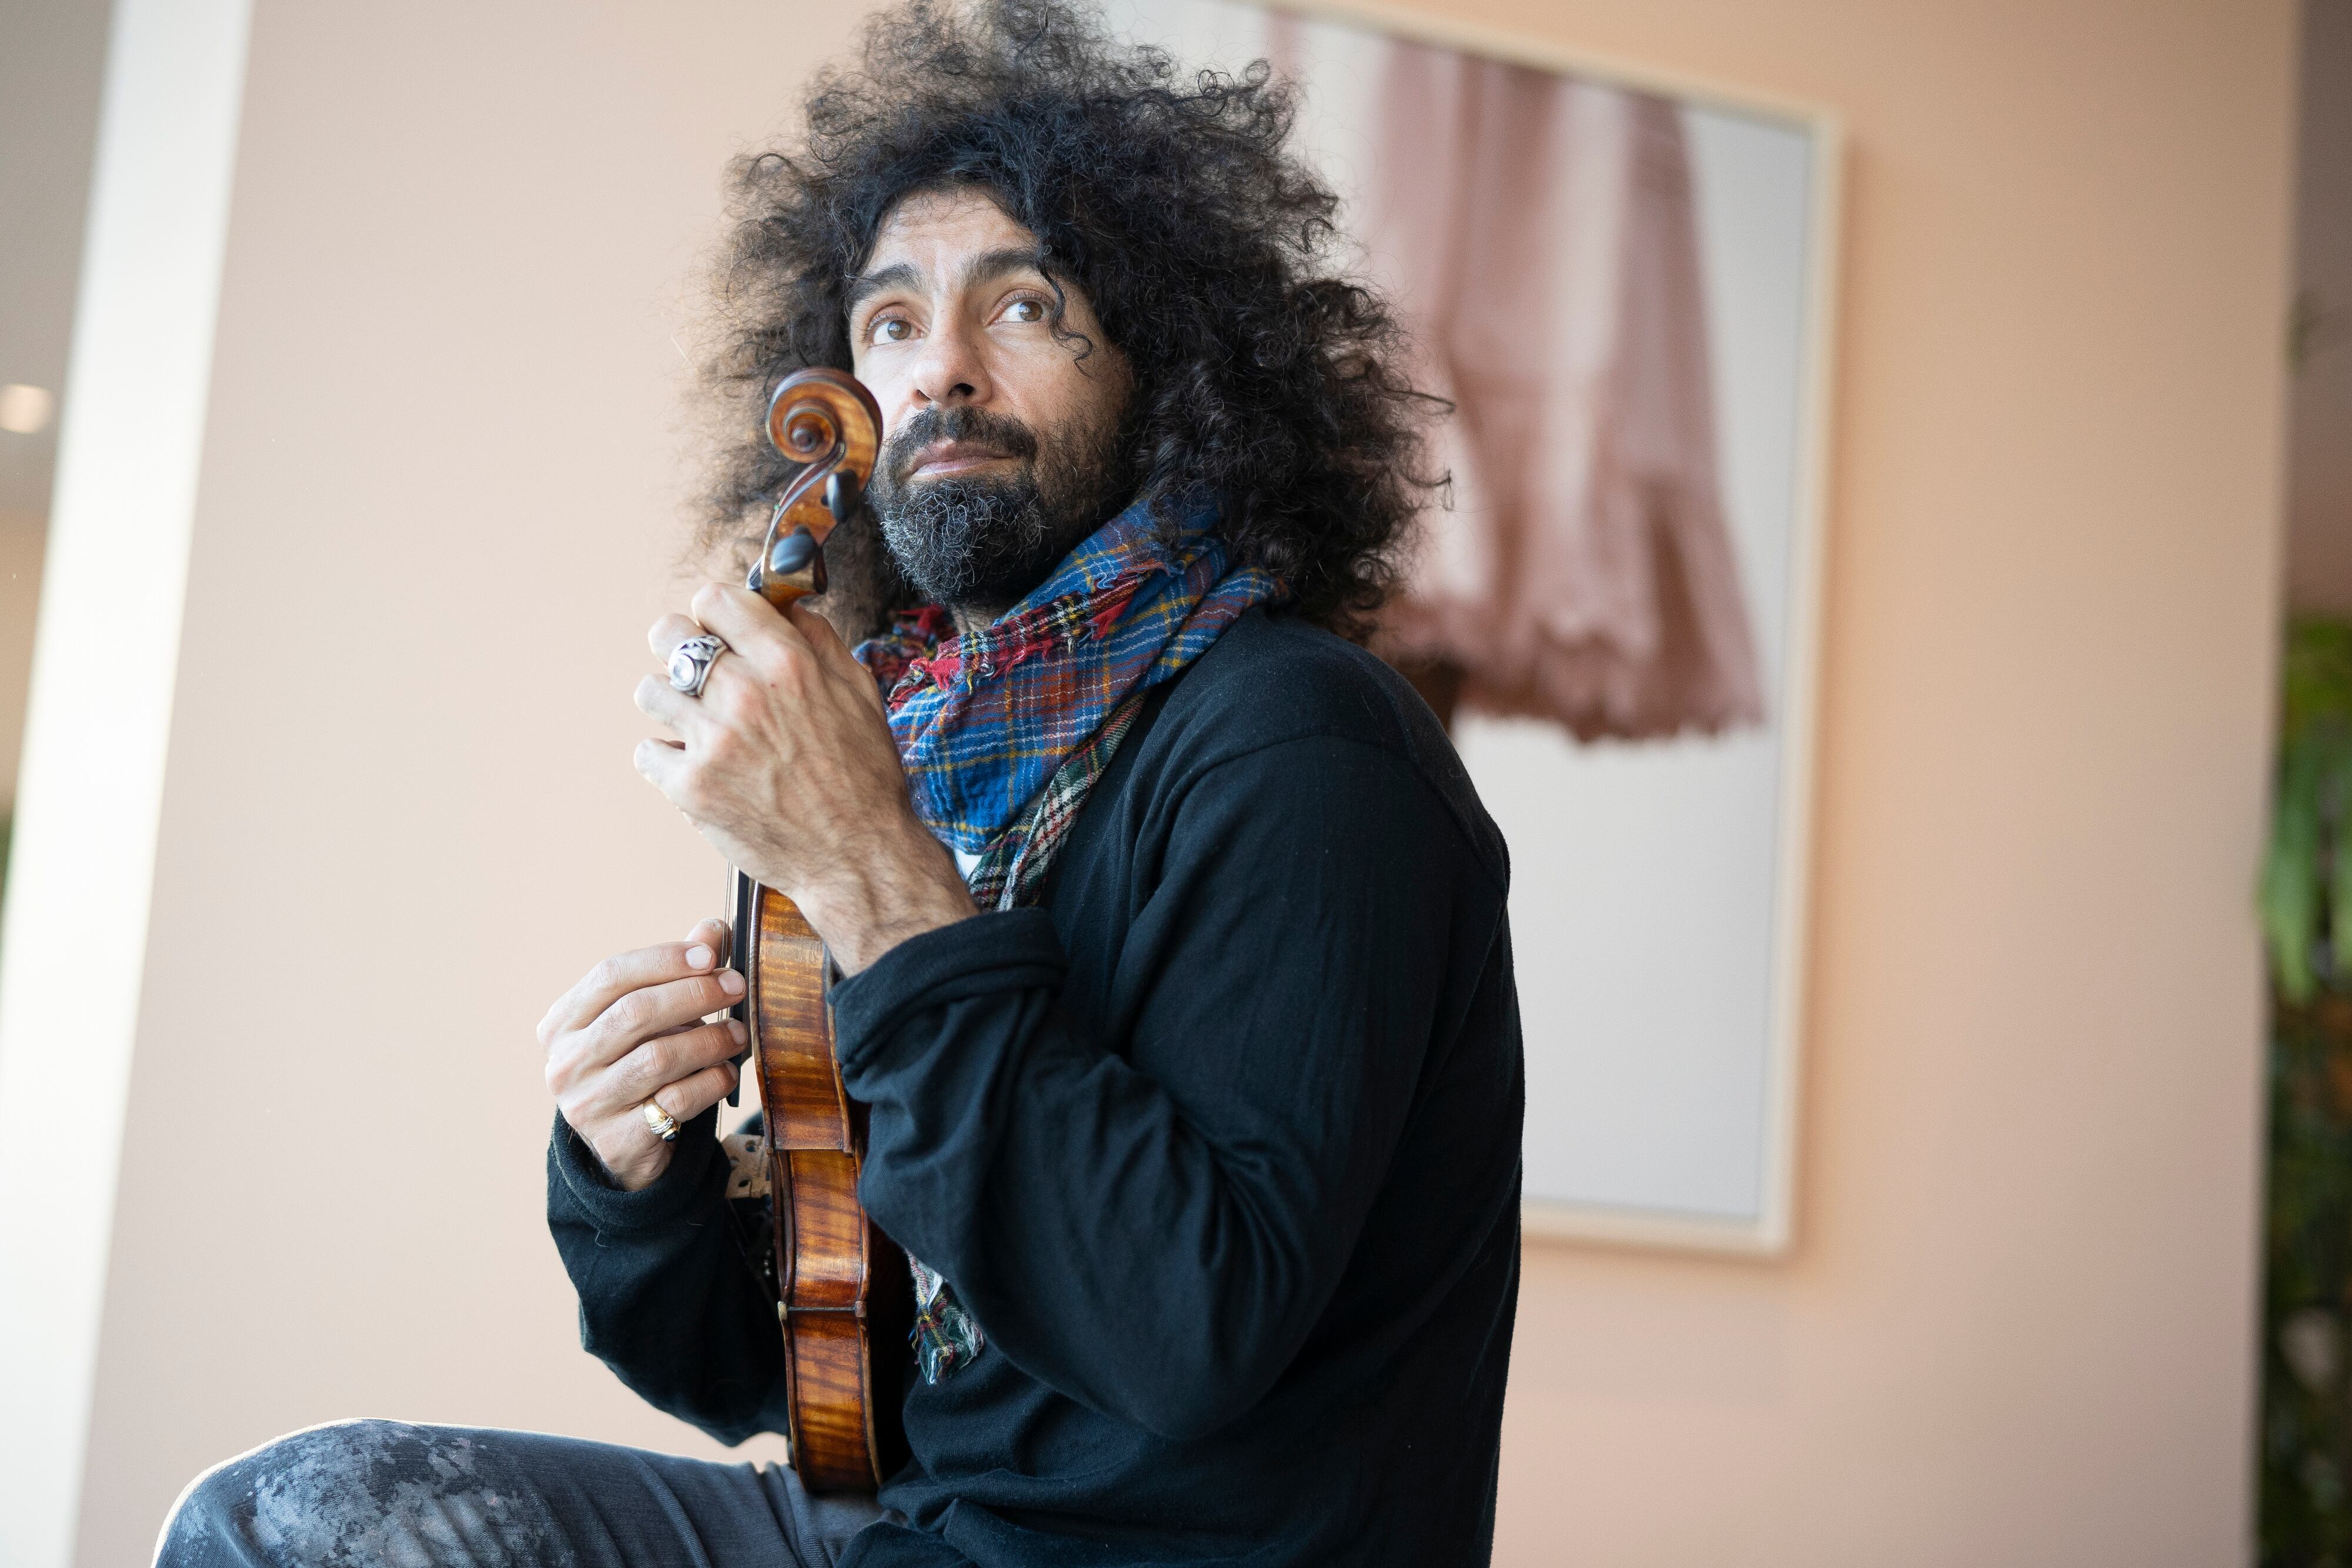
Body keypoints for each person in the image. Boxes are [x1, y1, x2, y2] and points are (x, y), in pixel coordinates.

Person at [156, 1, 1522, 1563]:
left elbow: (1176, 1332)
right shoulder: (926, 751)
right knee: (284, 1524)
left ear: (1174, 365)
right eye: (887, 323)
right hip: (898, 1531)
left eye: (1022, 307)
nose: (936, 368)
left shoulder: (1304, 749)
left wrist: (875, 867)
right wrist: (638, 1175)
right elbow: (812, 1383)